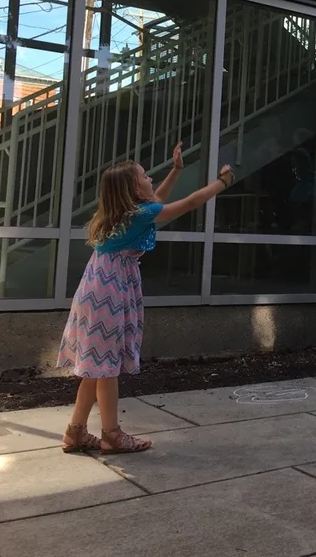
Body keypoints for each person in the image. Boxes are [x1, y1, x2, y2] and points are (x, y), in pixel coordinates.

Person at [58, 143, 234, 453]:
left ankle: (75, 431)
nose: (150, 178)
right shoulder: (137, 214)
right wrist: (222, 183)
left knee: (95, 365)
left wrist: (177, 170)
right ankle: (111, 434)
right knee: (107, 367)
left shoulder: (122, 213)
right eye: (144, 176)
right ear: (133, 189)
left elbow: (157, 202)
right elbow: (190, 203)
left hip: (96, 288)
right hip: (110, 290)